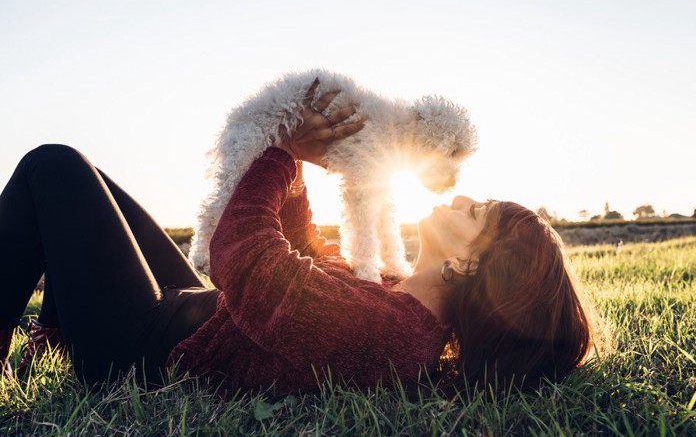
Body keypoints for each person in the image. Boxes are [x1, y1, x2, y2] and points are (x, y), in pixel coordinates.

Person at [0, 80, 603, 393]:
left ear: (472, 267)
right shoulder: (397, 296)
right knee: (90, 188)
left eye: (478, 214)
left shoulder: (390, 331)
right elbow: (302, 256)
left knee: (53, 168)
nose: (463, 198)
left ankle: (58, 340)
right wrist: (314, 160)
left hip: (141, 352)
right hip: (201, 320)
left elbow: (245, 258)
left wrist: (284, 153)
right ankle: (56, 338)